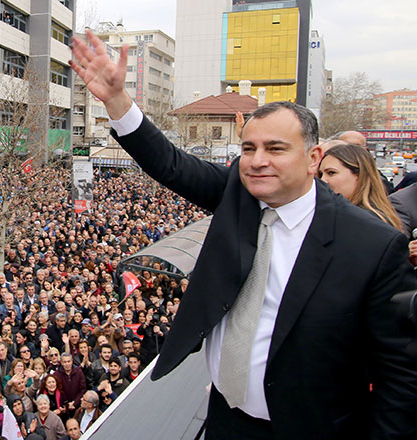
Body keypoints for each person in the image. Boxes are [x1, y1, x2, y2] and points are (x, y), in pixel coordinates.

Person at [70, 29, 417, 439]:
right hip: (223, 419)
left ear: (313, 158)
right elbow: (170, 164)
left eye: (275, 148)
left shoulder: (371, 245)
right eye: (248, 149)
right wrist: (116, 101)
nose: (257, 161)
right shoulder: (237, 195)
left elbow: (401, 377)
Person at [318, 143, 403, 230]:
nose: (322, 180)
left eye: (331, 173)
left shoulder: (368, 223)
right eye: (320, 174)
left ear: (359, 175)